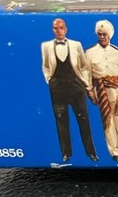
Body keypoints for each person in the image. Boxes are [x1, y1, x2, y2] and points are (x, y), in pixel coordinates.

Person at [41, 18, 98, 163]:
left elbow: (84, 66)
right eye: (56, 28)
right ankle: (66, 153)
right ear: (53, 30)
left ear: (66, 29)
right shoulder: (46, 46)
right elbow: (46, 66)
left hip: (76, 87)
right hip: (58, 88)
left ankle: (91, 152)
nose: (59, 31)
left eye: (61, 28)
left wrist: (86, 84)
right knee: (61, 121)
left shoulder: (76, 44)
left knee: (83, 120)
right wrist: (49, 80)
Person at [85, 20, 118, 161]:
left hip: (117, 91)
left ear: (109, 35)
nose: (102, 37)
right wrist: (90, 91)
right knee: (108, 121)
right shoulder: (90, 52)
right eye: (99, 34)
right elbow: (87, 73)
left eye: (104, 34)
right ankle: (114, 151)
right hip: (101, 91)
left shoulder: (117, 52)